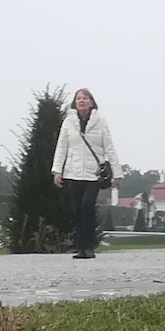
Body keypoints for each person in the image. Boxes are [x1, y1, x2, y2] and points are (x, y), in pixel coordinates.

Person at [51, 87, 117, 259]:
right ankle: (81, 247)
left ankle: (89, 245)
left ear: (91, 102)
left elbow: (109, 147)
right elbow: (61, 147)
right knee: (77, 210)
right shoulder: (68, 122)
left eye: (85, 98)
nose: (81, 101)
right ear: (75, 102)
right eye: (79, 98)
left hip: (93, 173)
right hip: (73, 172)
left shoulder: (100, 122)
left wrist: (118, 173)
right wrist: (57, 171)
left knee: (87, 206)